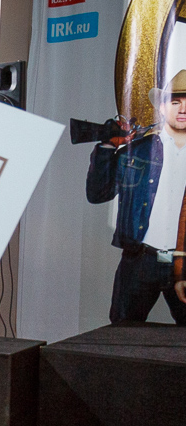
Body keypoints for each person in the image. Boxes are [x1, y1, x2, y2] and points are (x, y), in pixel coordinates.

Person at [86, 69, 186, 323]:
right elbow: (98, 194)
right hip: (140, 260)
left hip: (184, 262)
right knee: (122, 333)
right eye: (175, 102)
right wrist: (107, 146)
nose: (183, 109)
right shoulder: (137, 151)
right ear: (162, 107)